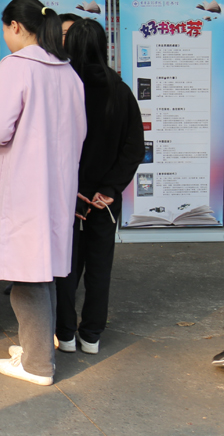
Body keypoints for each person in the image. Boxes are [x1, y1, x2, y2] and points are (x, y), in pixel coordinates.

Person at [0, 0, 86, 386]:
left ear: (16, 27)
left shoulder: (16, 66)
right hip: (57, 186)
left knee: (26, 275)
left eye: (6, 29)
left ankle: (37, 363)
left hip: (23, 187)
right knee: (44, 270)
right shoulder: (67, 71)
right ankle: (37, 348)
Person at [55, 19, 143, 355]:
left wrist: (73, 187)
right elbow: (134, 148)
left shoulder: (65, 89)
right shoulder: (120, 91)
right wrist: (109, 189)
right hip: (105, 201)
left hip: (69, 195)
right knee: (99, 268)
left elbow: (54, 146)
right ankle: (91, 335)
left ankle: (64, 333)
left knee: (65, 266)